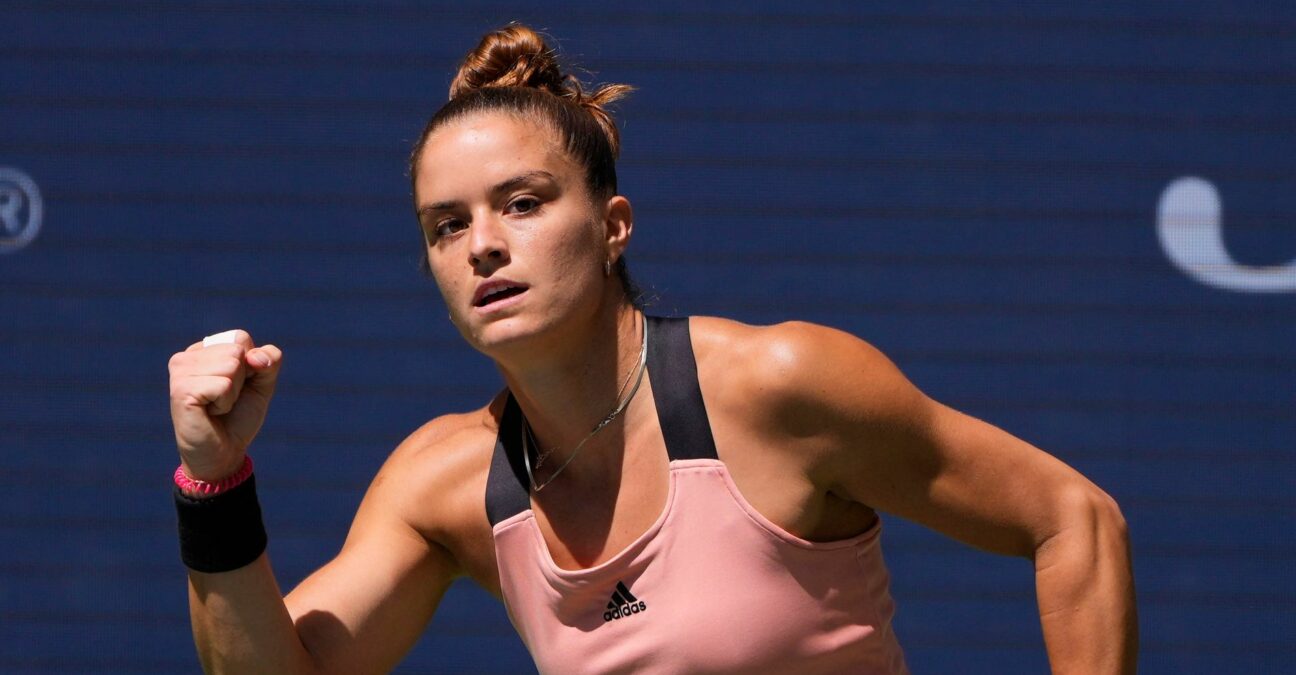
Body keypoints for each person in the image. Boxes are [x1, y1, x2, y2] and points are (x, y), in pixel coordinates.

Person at [167, 23, 1137, 674]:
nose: (484, 245)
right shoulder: (445, 485)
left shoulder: (777, 386)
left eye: (523, 203)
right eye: (445, 226)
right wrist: (215, 482)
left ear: (614, 223)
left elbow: (1072, 519)